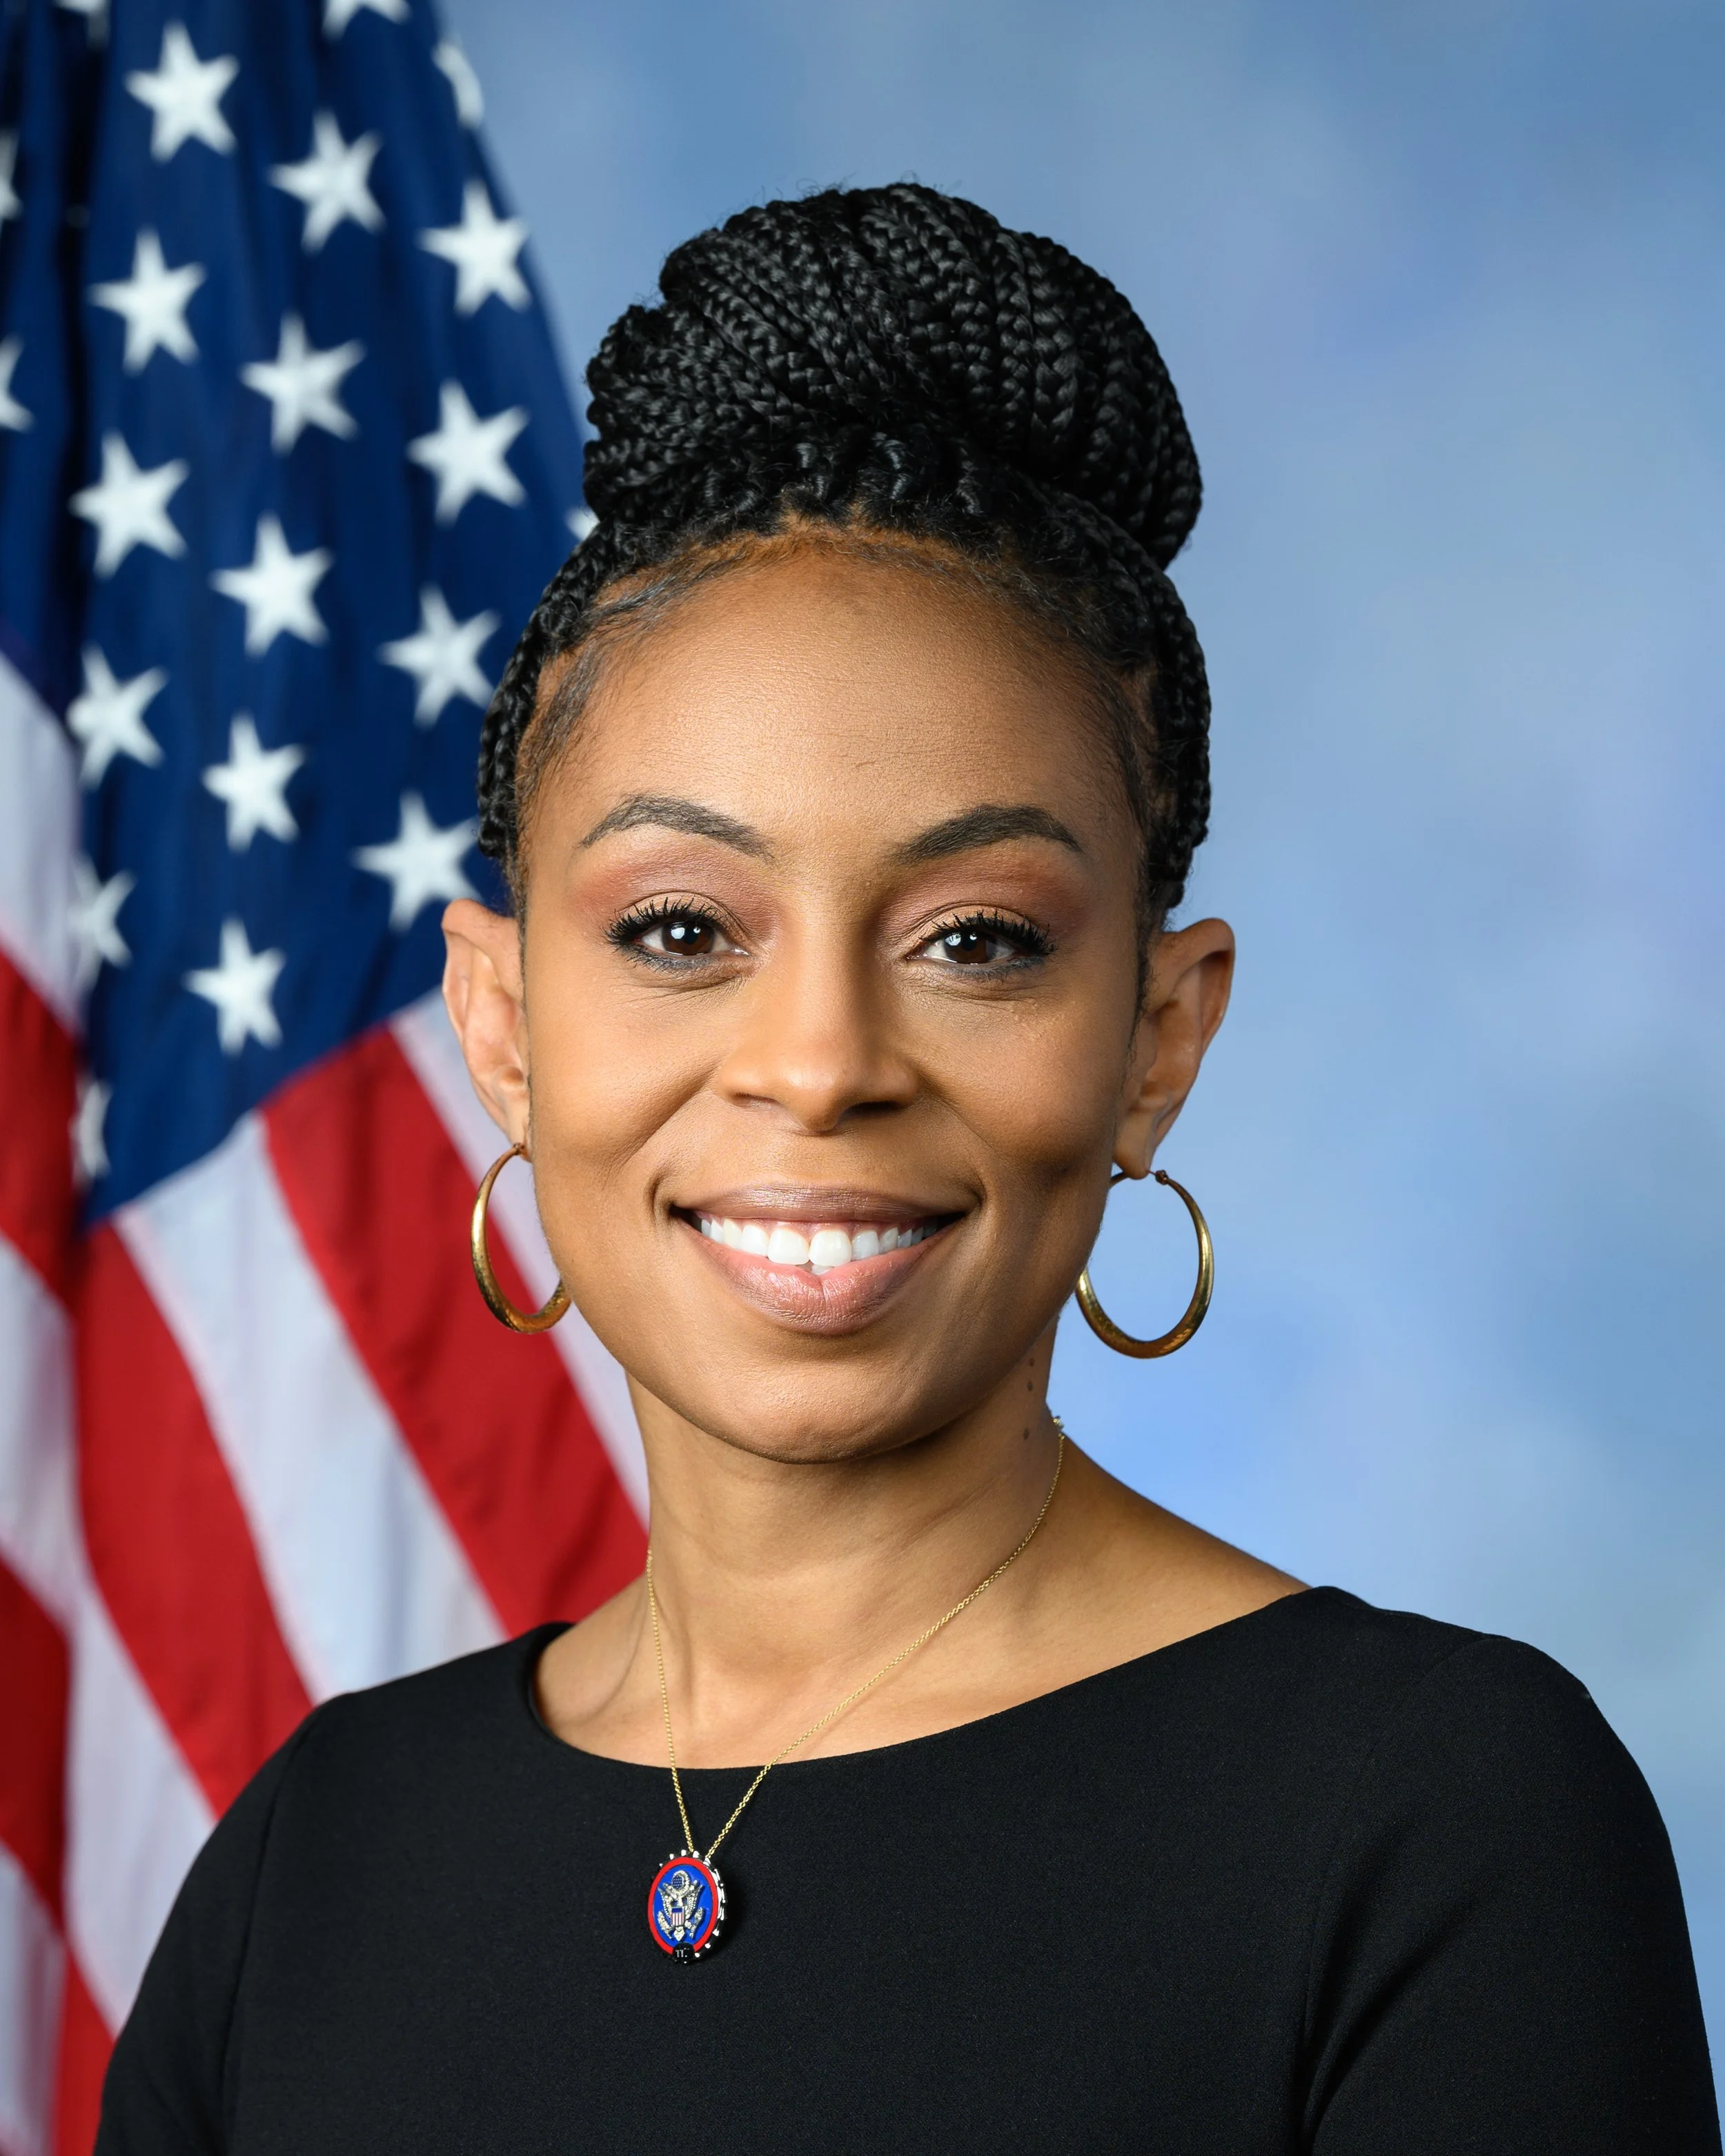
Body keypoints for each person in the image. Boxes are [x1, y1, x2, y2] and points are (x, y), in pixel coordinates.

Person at [97, 184, 1719, 2155]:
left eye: (976, 940)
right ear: (502, 1026)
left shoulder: (1435, 1825)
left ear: (1158, 1038)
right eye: (682, 928)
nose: (820, 1066)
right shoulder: (313, 1859)